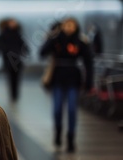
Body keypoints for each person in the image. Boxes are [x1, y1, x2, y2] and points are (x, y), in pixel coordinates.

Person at [39, 17, 94, 153]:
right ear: (62, 26)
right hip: (58, 77)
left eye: (72, 25)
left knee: (71, 110)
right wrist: (51, 37)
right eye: (66, 25)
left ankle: (70, 138)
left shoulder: (81, 41)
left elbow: (88, 62)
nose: (69, 28)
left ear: (76, 27)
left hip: (73, 79)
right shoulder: (56, 39)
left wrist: (89, 82)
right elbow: (42, 53)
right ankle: (58, 131)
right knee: (57, 109)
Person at [0, 18, 29, 102]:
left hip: (17, 60)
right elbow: (1, 46)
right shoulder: (4, 34)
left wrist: (24, 51)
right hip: (8, 61)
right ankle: (12, 96)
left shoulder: (17, 34)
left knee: (17, 79)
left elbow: (23, 45)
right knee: (11, 79)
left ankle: (15, 96)